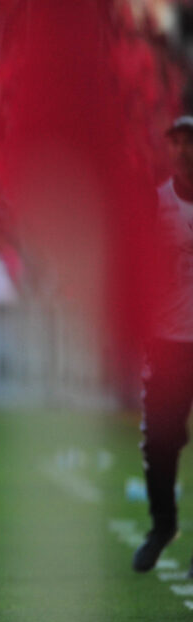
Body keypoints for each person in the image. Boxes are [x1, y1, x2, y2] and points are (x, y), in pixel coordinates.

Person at [132, 116, 193, 576]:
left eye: (190, 143)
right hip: (169, 344)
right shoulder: (156, 205)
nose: (184, 152)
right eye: (176, 143)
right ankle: (163, 525)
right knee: (160, 443)